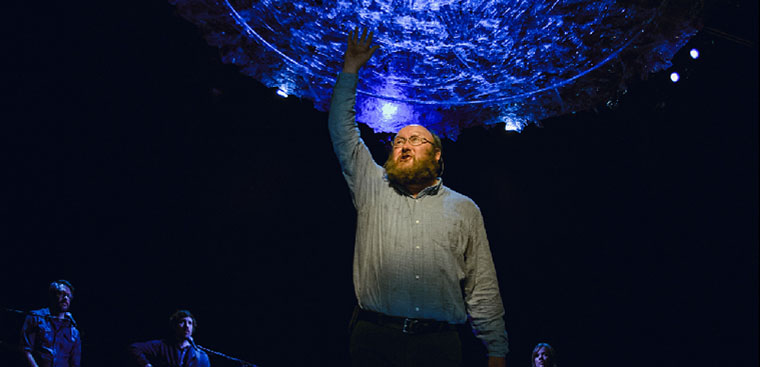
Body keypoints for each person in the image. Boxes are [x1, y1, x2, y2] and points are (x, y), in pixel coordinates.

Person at [329, 27, 509, 367]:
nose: (404, 145)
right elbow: (342, 131)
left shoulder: (464, 209)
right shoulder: (372, 185)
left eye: (415, 140)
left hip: (438, 347)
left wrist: (496, 351)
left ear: (438, 156)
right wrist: (351, 68)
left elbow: (481, 285)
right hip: (374, 340)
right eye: (398, 141)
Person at [20, 279, 81, 367]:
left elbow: (75, 363)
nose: (65, 298)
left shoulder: (73, 331)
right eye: (61, 293)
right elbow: (25, 350)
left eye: (68, 296)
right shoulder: (36, 318)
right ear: (52, 295)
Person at [129, 310, 210, 367]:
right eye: (182, 322)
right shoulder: (162, 345)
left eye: (190, 323)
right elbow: (135, 348)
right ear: (174, 326)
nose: (187, 326)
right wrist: (147, 365)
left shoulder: (201, 355)